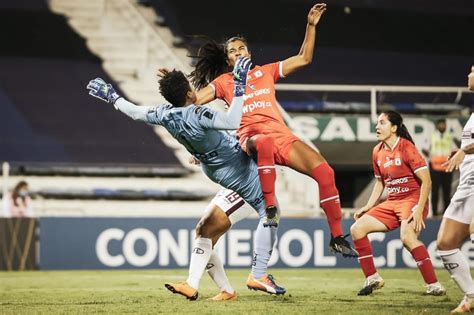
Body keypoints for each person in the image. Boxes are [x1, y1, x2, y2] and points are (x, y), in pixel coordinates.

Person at [86, 57, 285, 300]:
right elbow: (232, 121)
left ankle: (206, 284)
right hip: (242, 174)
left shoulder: (164, 114)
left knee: (205, 231)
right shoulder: (200, 114)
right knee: (262, 214)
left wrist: (112, 96)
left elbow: (136, 113)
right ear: (190, 92)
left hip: (222, 171)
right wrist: (240, 86)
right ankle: (243, 282)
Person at [186, 2, 357, 257]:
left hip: (281, 136)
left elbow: (304, 58)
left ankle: (336, 236)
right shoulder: (224, 82)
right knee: (263, 142)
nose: (238, 52)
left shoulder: (266, 72)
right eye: (232, 51)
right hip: (251, 138)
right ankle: (269, 207)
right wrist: (176, 85)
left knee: (325, 172)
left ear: (249, 53)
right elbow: (195, 101)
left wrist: (310, 26)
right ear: (228, 59)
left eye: (242, 47)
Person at [350, 110, 446, 296]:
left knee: (407, 238)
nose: (377, 126)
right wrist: (369, 206)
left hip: (412, 200)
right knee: (356, 229)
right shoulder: (377, 151)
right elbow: (380, 182)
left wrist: (419, 210)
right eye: (377, 123)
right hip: (392, 201)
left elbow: (427, 181)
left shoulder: (407, 147)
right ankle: (372, 278)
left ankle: (433, 284)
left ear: (394, 127)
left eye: (382, 123)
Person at [436, 66, 474, 313]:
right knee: (445, 243)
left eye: (473, 71)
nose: (468, 75)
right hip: (467, 183)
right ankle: (471, 295)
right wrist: (461, 152)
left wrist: (464, 150)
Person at [422, 118, 457, 216]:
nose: (442, 126)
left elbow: (455, 150)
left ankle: (447, 213)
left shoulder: (449, 137)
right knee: (435, 190)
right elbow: (424, 148)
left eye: (444, 124)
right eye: (440, 124)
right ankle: (435, 213)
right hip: (435, 167)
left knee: (447, 190)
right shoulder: (432, 136)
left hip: (447, 166)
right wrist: (432, 157)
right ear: (437, 126)